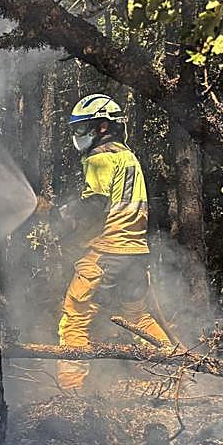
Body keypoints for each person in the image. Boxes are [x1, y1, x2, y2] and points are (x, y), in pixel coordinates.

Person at [50, 93, 173, 391]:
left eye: (82, 129)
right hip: (134, 252)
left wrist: (62, 214)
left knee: (75, 319)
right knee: (139, 317)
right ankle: (177, 373)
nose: (77, 136)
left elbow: (95, 205)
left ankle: (70, 393)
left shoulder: (100, 158)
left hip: (107, 252)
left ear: (102, 126)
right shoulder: (128, 157)